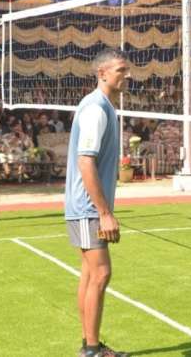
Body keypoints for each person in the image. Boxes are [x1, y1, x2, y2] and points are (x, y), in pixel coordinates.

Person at [65, 48, 130, 357]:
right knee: (101, 273)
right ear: (102, 73)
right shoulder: (95, 109)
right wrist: (104, 213)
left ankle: (88, 345)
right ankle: (92, 349)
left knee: (91, 274)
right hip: (88, 208)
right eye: (121, 70)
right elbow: (85, 162)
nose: (127, 75)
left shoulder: (103, 106)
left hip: (85, 207)